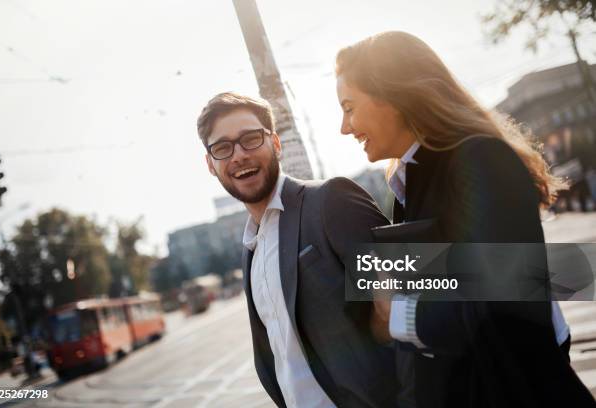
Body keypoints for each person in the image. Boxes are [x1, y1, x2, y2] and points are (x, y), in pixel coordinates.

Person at [335, 31, 595, 408]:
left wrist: (398, 313)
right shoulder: (411, 182)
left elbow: (506, 301)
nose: (344, 127)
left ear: (392, 94)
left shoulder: (480, 160)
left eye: (349, 106)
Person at [197, 92, 398, 407]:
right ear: (211, 164)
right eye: (223, 148)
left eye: (250, 139)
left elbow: (420, 289)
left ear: (275, 143)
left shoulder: (329, 201)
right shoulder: (250, 251)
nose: (238, 156)